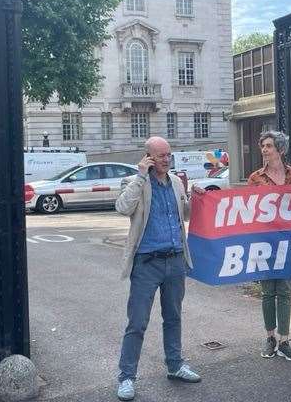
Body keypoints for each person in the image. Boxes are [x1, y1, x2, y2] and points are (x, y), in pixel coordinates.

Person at [114, 136, 205, 401]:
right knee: (138, 322)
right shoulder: (134, 182)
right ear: (148, 157)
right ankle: (126, 377)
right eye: (161, 155)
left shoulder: (176, 182)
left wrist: (195, 199)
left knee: (174, 317)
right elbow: (122, 208)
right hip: (147, 263)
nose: (166, 159)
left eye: (168, 155)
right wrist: (141, 176)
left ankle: (175, 365)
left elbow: (184, 215)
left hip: (175, 260)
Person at [248, 130, 291, 361]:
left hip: (289, 241)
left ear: (280, 149)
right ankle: (270, 338)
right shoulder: (255, 178)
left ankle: (284, 341)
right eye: (263, 146)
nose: (264, 149)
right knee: (268, 291)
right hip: (264, 241)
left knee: (284, 291)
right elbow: (246, 208)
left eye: (269, 146)